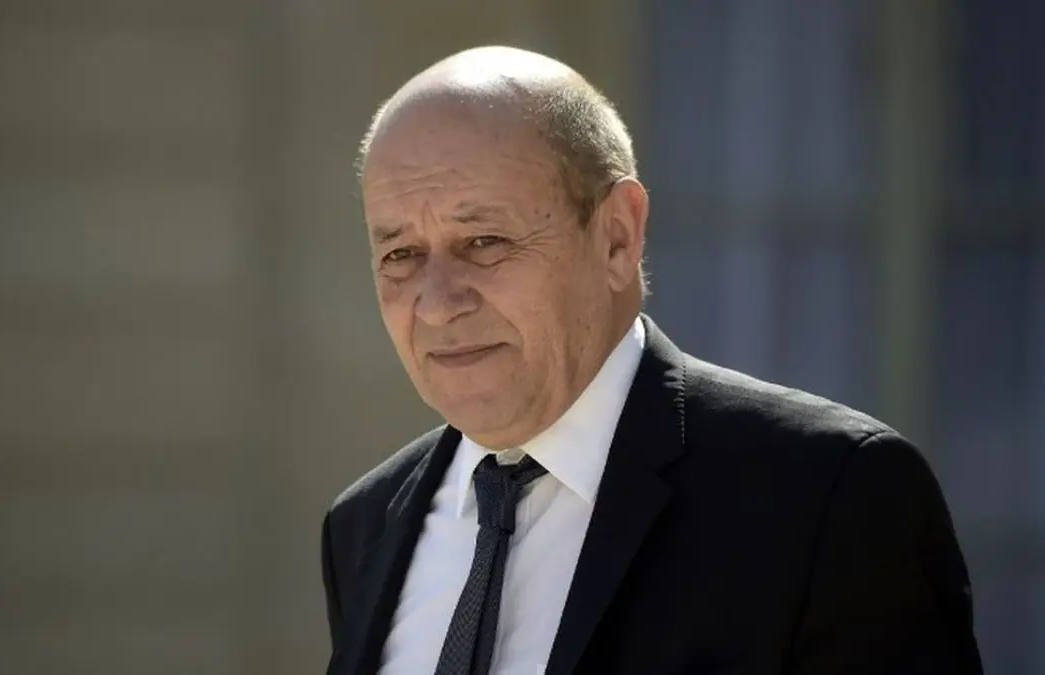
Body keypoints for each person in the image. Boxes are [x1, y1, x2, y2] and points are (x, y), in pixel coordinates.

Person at [320, 45, 983, 675]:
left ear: (617, 237)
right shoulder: (365, 526)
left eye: (484, 241)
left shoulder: (826, 499)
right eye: (400, 255)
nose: (437, 304)